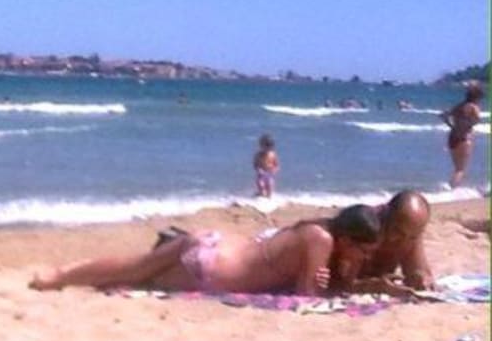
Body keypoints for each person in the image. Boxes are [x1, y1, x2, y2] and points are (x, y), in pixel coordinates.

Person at [29, 204, 381, 296]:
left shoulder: (313, 228)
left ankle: (59, 275)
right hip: (215, 270)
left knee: (136, 268)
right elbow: (306, 295)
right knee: (138, 277)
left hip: (214, 242)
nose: (365, 257)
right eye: (363, 251)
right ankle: (60, 278)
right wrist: (342, 274)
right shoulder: (322, 241)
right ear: (348, 240)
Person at [332, 190, 435, 295]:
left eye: (412, 237)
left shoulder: (409, 232)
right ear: (384, 214)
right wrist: (373, 287)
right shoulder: (364, 227)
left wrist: (421, 278)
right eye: (398, 232)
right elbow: (342, 284)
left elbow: (420, 273)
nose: (403, 241)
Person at [441, 85, 484, 188]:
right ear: (477, 97)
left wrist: (451, 125)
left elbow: (444, 115)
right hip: (464, 137)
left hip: (452, 136)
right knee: (460, 169)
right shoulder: (474, 107)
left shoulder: (459, 106)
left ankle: (451, 187)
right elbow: (477, 120)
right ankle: (451, 188)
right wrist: (469, 125)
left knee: (457, 168)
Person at [253, 133, 280, 198]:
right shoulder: (258, 155)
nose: (266, 149)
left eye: (269, 147)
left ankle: (269, 197)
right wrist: (258, 169)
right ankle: (261, 194)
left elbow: (277, 164)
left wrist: (275, 170)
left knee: (270, 185)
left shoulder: (273, 154)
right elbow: (255, 164)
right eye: (264, 147)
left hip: (269, 173)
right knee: (260, 184)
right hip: (261, 174)